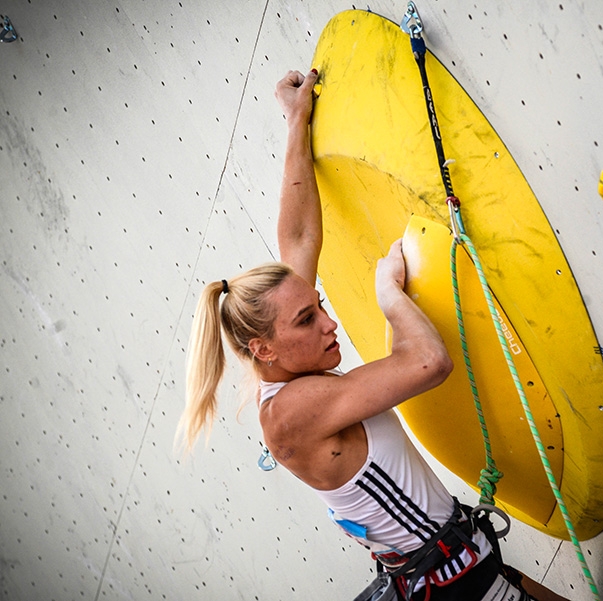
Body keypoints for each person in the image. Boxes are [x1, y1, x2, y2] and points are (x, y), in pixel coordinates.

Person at [178, 69, 569, 601]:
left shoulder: (285, 356)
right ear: (261, 349)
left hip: (462, 562)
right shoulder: (290, 413)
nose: (328, 322)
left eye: (318, 306)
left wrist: (296, 118)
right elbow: (430, 362)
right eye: (307, 320)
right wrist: (389, 295)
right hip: (458, 588)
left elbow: (297, 236)